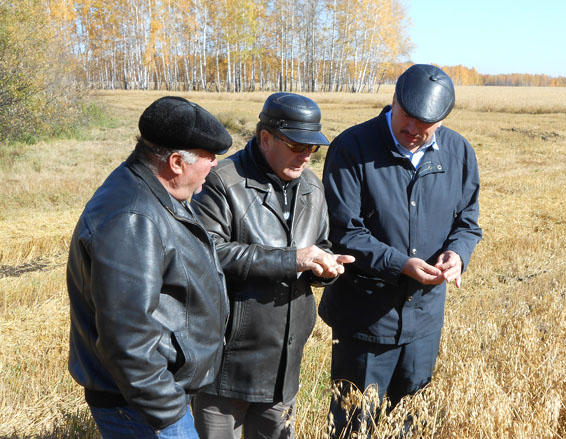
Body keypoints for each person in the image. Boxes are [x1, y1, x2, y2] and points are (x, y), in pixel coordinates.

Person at [320, 64, 483, 436]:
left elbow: (467, 225)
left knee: (410, 426)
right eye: (405, 120)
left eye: (423, 127)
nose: (411, 132)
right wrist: (400, 265)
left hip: (424, 322)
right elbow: (343, 231)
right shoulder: (352, 147)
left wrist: (457, 254)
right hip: (364, 322)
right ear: (393, 101)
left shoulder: (458, 154)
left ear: (442, 120)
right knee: (354, 427)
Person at [191, 92, 354, 439]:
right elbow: (206, 254)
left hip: (284, 361)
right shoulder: (222, 181)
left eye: (313, 148)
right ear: (266, 138)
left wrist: (324, 268)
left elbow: (320, 245)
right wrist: (293, 259)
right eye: (297, 145)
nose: (306, 155)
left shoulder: (311, 185)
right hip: (226, 361)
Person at [67, 96, 233, 439]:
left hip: (149, 397)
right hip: (141, 407)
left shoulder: (155, 191)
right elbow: (126, 336)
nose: (214, 165)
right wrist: (169, 414)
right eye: (208, 157)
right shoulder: (132, 216)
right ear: (176, 162)